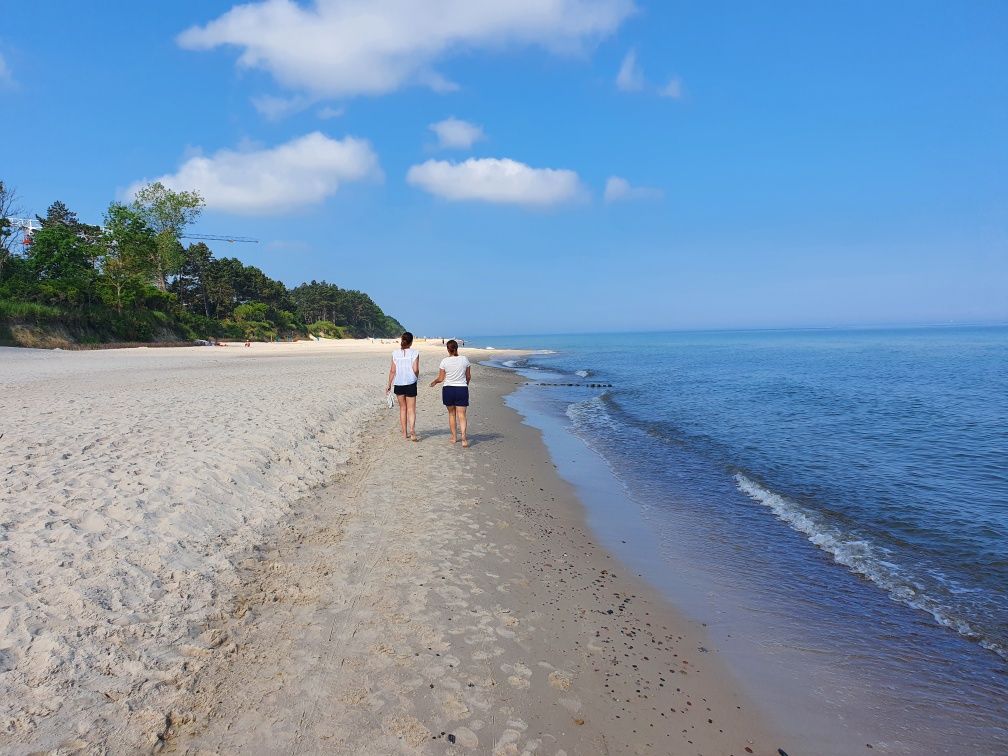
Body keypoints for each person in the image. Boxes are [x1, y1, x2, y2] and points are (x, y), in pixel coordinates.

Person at [429, 339, 471, 447]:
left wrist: (435, 382)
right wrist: (465, 385)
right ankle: (464, 439)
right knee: (462, 415)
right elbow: (468, 376)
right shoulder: (464, 359)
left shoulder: (444, 361)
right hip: (462, 389)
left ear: (448, 349)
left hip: (449, 390)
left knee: (452, 414)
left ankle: (453, 437)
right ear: (457, 348)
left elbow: (441, 378)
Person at [387, 331, 420, 441]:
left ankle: (404, 433)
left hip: (399, 383)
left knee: (402, 408)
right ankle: (412, 431)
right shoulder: (415, 353)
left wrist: (389, 384)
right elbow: (415, 369)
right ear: (411, 342)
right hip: (411, 382)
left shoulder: (395, 353)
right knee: (411, 409)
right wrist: (415, 377)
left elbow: (392, 370)